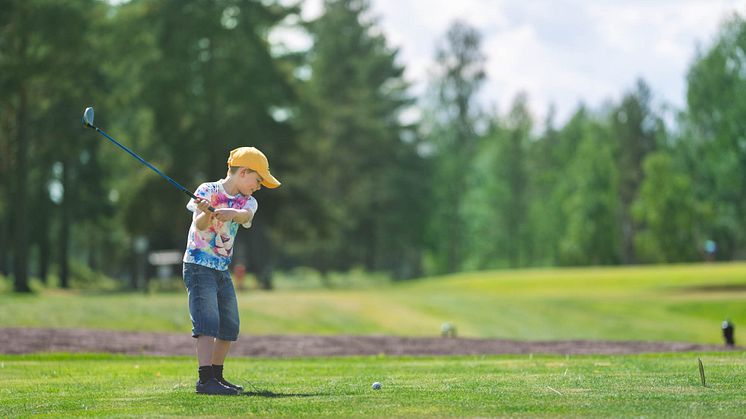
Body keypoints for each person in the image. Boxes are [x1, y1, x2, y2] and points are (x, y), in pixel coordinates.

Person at [182, 147, 281, 395]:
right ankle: (205, 380)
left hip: (221, 268)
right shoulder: (206, 190)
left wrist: (230, 213)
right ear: (243, 172)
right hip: (198, 264)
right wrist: (206, 211)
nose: (258, 186)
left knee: (229, 325)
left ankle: (217, 376)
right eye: (258, 180)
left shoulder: (249, 201)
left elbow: (244, 216)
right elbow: (199, 225)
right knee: (207, 323)